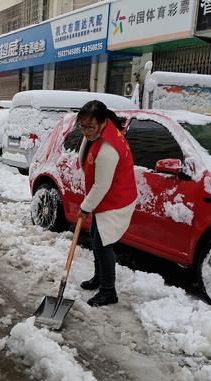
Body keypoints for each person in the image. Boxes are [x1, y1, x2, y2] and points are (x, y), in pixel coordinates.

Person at [76, 100, 137, 307]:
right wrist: (88, 134)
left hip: (115, 201)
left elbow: (101, 186)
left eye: (90, 127)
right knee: (95, 238)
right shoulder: (102, 131)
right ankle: (99, 277)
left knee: (103, 245)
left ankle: (108, 290)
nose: (85, 131)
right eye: (81, 126)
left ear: (102, 123)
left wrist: (85, 207)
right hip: (106, 199)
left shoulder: (108, 149)